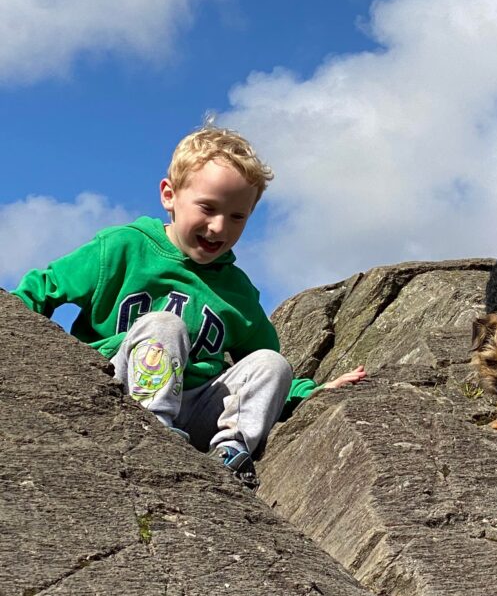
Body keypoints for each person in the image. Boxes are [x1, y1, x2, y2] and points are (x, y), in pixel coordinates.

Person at [11, 124, 365, 486]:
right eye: (207, 208)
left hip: (195, 409)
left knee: (271, 363)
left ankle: (230, 450)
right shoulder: (122, 248)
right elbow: (44, 287)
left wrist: (314, 395)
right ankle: (153, 431)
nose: (218, 227)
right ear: (169, 195)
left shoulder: (237, 292)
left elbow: (268, 373)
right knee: (164, 324)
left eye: (236, 216)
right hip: (121, 390)